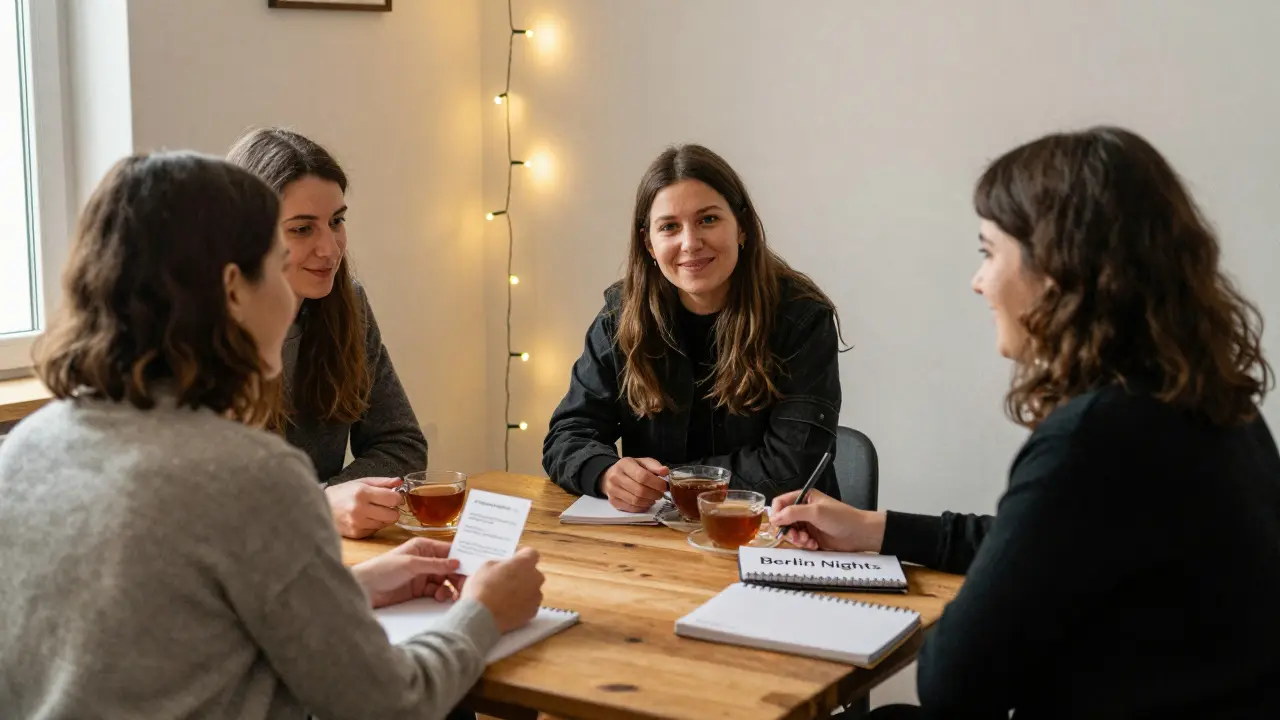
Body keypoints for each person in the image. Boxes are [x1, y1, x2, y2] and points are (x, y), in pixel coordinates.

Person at [0, 152, 545, 719]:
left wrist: (353, 591)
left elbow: (178, 635)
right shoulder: (247, 473)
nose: (294, 291)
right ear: (234, 289)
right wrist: (483, 609)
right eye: (278, 260)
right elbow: (392, 704)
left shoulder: (24, 449)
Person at [771, 127, 1280, 717]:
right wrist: (875, 529)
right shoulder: (1211, 403)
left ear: (1057, 270)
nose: (978, 280)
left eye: (989, 252)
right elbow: (1037, 546)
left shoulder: (1093, 438)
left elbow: (953, 682)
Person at [543, 144, 843, 511]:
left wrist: (667, 483)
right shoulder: (621, 317)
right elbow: (568, 434)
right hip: (656, 543)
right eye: (669, 227)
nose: (690, 243)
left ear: (742, 227)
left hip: (777, 536)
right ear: (649, 244)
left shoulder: (802, 319)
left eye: (708, 220)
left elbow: (791, 469)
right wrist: (606, 473)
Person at [228, 128, 426, 539]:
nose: (330, 248)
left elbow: (401, 444)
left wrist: (327, 503)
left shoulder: (347, 306)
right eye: (302, 229)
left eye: (337, 221)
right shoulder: (196, 332)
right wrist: (317, 507)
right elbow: (198, 503)